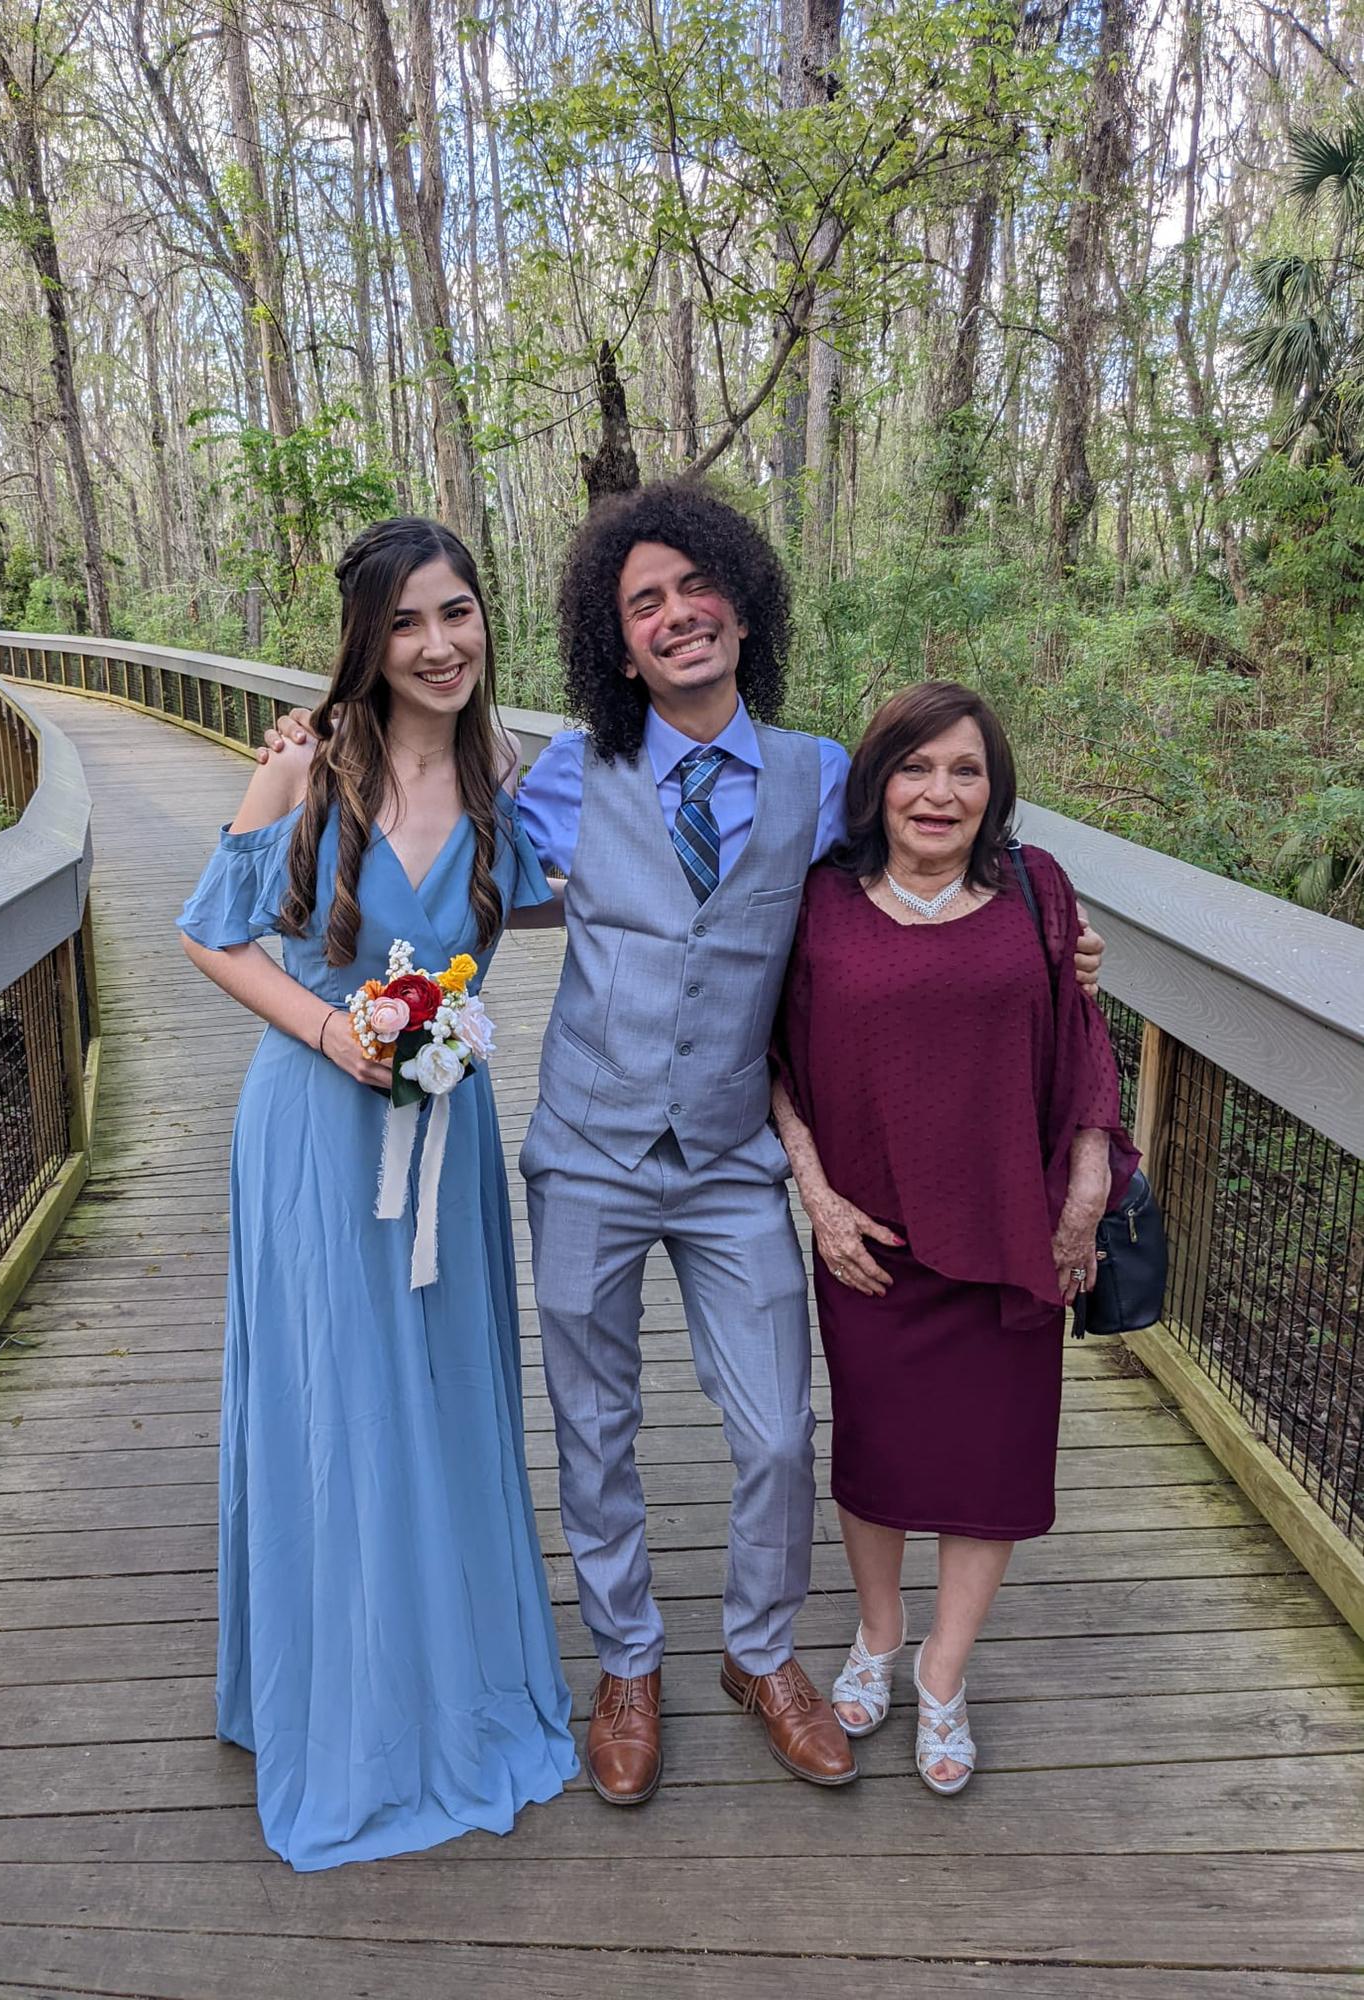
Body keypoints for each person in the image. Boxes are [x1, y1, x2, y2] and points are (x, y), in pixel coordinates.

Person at [262, 481, 1106, 1808]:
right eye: (643, 601)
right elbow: (425, 858)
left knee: (777, 1432)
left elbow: (930, 854)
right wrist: (317, 753)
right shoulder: (560, 781)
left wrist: (1056, 932)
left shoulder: (821, 779)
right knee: (594, 1423)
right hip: (586, 1148)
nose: (676, 615)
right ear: (618, 644)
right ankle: (629, 1665)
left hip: (734, 1159)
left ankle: (761, 1653)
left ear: (743, 605)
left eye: (696, 586)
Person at [175, 517, 576, 1870]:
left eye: (456, 612)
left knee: (445, 1395)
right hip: (318, 1125)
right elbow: (211, 934)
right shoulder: (307, 762)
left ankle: (454, 1677)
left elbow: (612, 890)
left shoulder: (503, 778)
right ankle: (341, 1702)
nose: (438, 643)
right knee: (340, 1397)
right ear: (368, 639)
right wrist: (332, 1029)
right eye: (406, 622)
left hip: (446, 1131)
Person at [770, 679, 1138, 1795]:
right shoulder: (821, 899)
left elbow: (1083, 1040)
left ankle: (943, 1671)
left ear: (995, 788)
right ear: (875, 784)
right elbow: (774, 1057)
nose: (939, 793)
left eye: (965, 770)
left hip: (1012, 1222)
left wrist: (1086, 1185)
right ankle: (878, 1634)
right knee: (877, 1447)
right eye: (915, 768)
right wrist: (818, 1195)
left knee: (993, 1456)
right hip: (871, 1231)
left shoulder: (1038, 888)